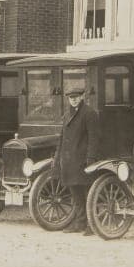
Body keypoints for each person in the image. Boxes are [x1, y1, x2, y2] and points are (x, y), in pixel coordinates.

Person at [54, 84, 100, 234]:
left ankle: (92, 225)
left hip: (82, 160)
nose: (73, 100)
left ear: (82, 97)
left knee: (88, 192)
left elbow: (94, 138)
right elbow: (62, 138)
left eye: (76, 98)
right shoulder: (67, 115)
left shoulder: (89, 113)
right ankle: (80, 223)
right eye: (70, 98)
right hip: (69, 160)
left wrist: (91, 158)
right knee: (75, 193)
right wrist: (57, 157)